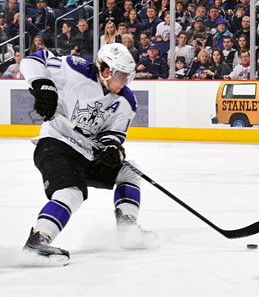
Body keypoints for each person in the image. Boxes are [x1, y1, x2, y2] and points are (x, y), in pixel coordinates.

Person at [19, 43, 156, 265]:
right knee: (71, 191)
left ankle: (128, 229)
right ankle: (37, 241)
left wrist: (112, 148)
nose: (126, 82)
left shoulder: (126, 101)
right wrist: (43, 85)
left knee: (131, 170)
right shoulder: (75, 69)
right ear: (105, 70)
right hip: (57, 143)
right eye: (121, 76)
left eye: (128, 77)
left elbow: (113, 134)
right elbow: (35, 59)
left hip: (88, 154)